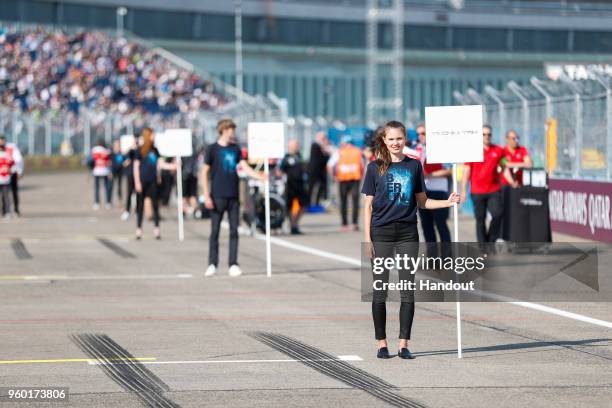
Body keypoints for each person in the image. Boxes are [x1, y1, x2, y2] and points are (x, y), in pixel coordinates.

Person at [362, 120, 460, 360]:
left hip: (407, 233)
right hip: (381, 233)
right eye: (391, 139)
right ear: (384, 140)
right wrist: (368, 239)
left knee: (407, 289)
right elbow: (368, 207)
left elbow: (423, 201)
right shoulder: (375, 168)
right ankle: (381, 343)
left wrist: (448, 201)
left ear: (405, 140)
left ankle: (404, 344)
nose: (396, 143)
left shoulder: (414, 166)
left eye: (399, 138)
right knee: (380, 290)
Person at [201, 119, 265, 277]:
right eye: (231, 129)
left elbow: (244, 167)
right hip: (217, 195)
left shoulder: (235, 149)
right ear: (224, 130)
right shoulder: (212, 149)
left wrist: (259, 176)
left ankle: (233, 263)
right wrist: (206, 194)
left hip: (233, 195)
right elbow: (204, 172)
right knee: (214, 231)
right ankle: (212, 263)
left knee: (234, 230)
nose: (233, 133)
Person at [461, 125, 504, 243]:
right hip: (477, 191)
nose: (487, 137)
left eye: (489, 134)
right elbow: (466, 171)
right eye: (484, 134)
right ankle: (482, 246)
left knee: (497, 215)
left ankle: (491, 240)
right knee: (480, 220)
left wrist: (512, 180)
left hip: (493, 190)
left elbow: (505, 165)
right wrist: (463, 190)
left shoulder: (498, 150)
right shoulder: (473, 151)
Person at [133, 127, 175, 240]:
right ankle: (139, 229)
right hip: (142, 181)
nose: (154, 137)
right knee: (140, 206)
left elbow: (160, 164)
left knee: (155, 206)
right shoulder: (140, 150)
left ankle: (156, 230)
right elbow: (136, 167)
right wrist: (137, 182)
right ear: (148, 136)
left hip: (153, 181)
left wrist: (174, 166)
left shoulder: (155, 150)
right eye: (152, 135)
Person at [413, 124, 452, 246]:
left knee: (441, 224)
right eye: (418, 134)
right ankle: (432, 258)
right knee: (426, 225)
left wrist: (428, 175)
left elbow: (449, 170)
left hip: (438, 191)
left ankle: (447, 257)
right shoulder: (416, 149)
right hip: (422, 191)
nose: (420, 136)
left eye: (423, 133)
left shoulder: (440, 148)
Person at [501, 130, 532, 240]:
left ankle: (520, 235)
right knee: (505, 212)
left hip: (520, 186)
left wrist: (516, 165)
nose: (516, 140)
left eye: (517, 138)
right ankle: (504, 237)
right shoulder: (503, 151)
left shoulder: (522, 150)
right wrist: (521, 164)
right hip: (506, 186)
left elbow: (529, 164)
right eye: (513, 138)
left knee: (520, 212)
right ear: (507, 139)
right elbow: (504, 165)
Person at [328, 135, 364, 231]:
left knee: (343, 202)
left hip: (343, 179)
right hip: (355, 179)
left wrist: (333, 177)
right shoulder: (358, 151)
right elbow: (363, 165)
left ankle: (344, 224)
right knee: (355, 202)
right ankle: (354, 224)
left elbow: (329, 165)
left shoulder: (339, 151)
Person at [278, 139, 307, 235]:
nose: (296, 147)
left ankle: (295, 223)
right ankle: (293, 225)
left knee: (303, 205)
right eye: (294, 145)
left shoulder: (299, 156)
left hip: (300, 185)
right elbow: (280, 171)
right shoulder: (286, 158)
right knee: (289, 206)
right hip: (290, 186)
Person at [0, 137, 23, 216]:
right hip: (1, 175)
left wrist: (19, 171)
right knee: (4, 193)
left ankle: (16, 209)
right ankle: (4, 210)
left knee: (13, 191)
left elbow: (18, 160)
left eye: (2, 141)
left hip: (11, 173)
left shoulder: (11, 147)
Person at [307, 132, 330, 207]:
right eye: (323, 138)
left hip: (321, 171)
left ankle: (317, 202)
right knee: (311, 186)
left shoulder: (323, 146)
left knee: (321, 186)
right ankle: (308, 203)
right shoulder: (315, 145)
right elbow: (321, 157)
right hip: (314, 170)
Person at [89, 139, 112, 210]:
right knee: (107, 187)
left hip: (97, 171)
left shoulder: (94, 150)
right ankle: (108, 203)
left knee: (97, 188)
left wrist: (91, 170)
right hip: (105, 171)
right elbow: (109, 161)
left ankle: (97, 203)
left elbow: (91, 161)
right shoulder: (107, 151)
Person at [121, 136, 138, 221]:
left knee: (138, 193)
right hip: (130, 174)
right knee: (129, 193)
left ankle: (137, 211)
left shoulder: (140, 150)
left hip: (138, 174)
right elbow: (124, 162)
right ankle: (127, 211)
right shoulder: (130, 151)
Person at [181, 140, 200, 218]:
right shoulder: (194, 151)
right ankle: (195, 210)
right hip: (193, 175)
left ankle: (183, 211)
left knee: (184, 195)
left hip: (184, 175)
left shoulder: (183, 151)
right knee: (193, 194)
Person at [0, 139, 15, 217]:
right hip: (4, 178)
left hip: (5, 179)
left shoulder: (7, 155)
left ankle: (7, 212)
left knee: (6, 196)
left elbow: (12, 164)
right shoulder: (7, 155)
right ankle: (5, 211)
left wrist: (10, 171)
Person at [110, 139, 125, 205]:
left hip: (120, 172)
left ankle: (120, 201)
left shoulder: (122, 153)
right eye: (116, 144)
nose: (117, 146)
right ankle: (110, 201)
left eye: (118, 144)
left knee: (119, 187)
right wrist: (110, 172)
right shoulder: (111, 154)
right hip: (113, 172)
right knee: (111, 186)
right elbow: (109, 163)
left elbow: (124, 161)